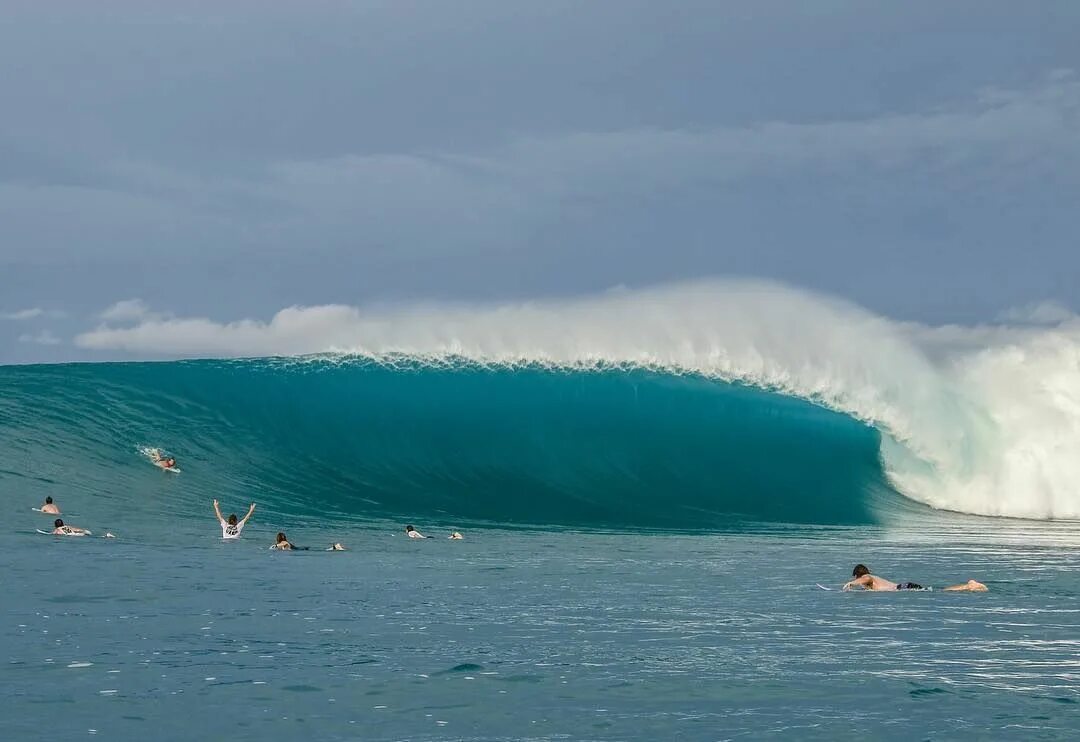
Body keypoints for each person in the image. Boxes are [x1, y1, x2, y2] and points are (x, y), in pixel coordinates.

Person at [843, 564, 987, 592]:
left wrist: (851, 583)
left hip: (903, 588)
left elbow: (864, 580)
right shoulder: (872, 577)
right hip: (904, 586)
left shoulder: (867, 577)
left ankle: (969, 586)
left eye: (855, 576)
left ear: (857, 574)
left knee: (940, 591)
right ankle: (968, 586)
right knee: (937, 590)